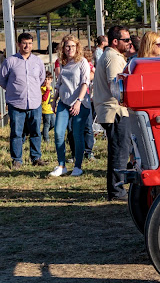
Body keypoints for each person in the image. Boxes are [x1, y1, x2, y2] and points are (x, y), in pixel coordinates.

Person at [94, 25, 132, 201]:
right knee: (120, 152)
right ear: (115, 41)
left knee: (119, 150)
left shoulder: (112, 56)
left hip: (112, 110)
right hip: (115, 111)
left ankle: (117, 189)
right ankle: (117, 191)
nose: (129, 42)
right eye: (126, 40)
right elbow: (115, 85)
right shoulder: (113, 57)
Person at [0, 32, 46, 168]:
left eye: (30, 43)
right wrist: (14, 91)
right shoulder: (10, 61)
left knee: (36, 131)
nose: (27, 46)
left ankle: (36, 157)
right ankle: (17, 159)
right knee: (16, 132)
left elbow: (41, 79)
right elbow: (2, 80)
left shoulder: (37, 61)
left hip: (35, 102)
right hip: (16, 103)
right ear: (19, 44)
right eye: (25, 43)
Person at [50, 35, 91, 177]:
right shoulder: (62, 62)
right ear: (63, 48)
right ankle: (61, 165)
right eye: (67, 46)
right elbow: (59, 82)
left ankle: (78, 166)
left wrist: (79, 101)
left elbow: (85, 83)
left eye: (73, 46)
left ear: (77, 47)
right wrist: (54, 99)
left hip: (80, 102)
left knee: (76, 134)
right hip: (63, 102)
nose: (70, 49)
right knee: (58, 133)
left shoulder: (82, 62)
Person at [41, 71, 55, 142]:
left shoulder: (51, 87)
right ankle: (46, 139)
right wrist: (47, 90)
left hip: (51, 110)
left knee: (53, 124)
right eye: (45, 79)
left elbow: (52, 98)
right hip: (45, 110)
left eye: (48, 79)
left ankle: (43, 133)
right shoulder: (43, 88)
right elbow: (44, 98)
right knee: (46, 125)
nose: (47, 81)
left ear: (51, 80)